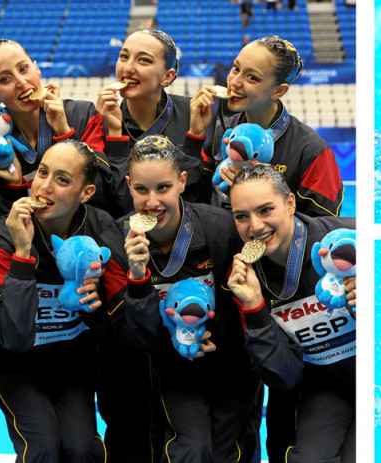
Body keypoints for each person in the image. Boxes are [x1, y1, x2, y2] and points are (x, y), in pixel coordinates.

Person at [98, 135, 260, 462]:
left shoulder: (220, 229)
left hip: (225, 364)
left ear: (182, 182)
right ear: (129, 186)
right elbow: (132, 336)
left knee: (229, 453)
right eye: (142, 189)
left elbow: (243, 305)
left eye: (163, 188)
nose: (152, 201)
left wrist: (218, 342)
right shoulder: (115, 243)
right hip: (160, 370)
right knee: (190, 448)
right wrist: (139, 276)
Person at [0, 140, 127, 462]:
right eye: (43, 172)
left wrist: (96, 308)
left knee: (82, 448)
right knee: (42, 447)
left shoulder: (102, 229)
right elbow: (13, 337)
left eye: (62, 180)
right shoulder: (3, 234)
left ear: (86, 192)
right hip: (13, 363)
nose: (45, 186)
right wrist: (21, 254)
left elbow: (118, 326)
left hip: (72, 363)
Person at [227, 164, 356, 463]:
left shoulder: (349, 242)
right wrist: (256, 308)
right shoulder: (242, 277)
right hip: (321, 390)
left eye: (265, 210)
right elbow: (283, 377)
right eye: (242, 216)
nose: (255, 226)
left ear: (290, 204)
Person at [189, 35, 345, 217]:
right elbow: (192, 202)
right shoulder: (216, 128)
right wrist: (195, 136)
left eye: (252, 78)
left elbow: (323, 228)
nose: (234, 82)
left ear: (278, 91)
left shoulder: (313, 152)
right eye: (236, 68)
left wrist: (259, 200)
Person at [0, 38, 124, 215]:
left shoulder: (83, 114)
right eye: (5, 79)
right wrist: (14, 187)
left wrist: (66, 135)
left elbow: (101, 195)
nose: (21, 81)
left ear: (37, 69)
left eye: (23, 69)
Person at [83, 29, 212, 215]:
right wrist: (115, 135)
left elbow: (197, 198)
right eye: (123, 56)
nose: (127, 68)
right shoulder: (100, 122)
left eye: (143, 60)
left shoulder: (194, 116)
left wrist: (194, 138)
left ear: (167, 77)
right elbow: (104, 205)